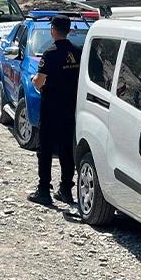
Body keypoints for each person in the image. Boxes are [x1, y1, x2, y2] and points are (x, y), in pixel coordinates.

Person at [28, 15, 83, 206]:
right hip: (70, 106)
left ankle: (44, 190)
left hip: (51, 106)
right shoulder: (78, 51)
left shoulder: (50, 53)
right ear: (69, 30)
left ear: (53, 30)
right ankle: (66, 189)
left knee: (45, 148)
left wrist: (34, 81)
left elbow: (39, 81)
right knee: (67, 148)